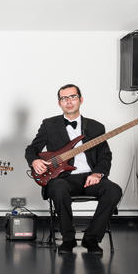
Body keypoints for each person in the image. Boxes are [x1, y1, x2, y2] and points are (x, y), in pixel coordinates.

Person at [25, 84, 122, 255]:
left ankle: (91, 238)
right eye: (64, 98)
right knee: (59, 188)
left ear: (81, 100)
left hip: (90, 177)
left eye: (73, 97)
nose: (69, 101)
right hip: (63, 178)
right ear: (59, 103)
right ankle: (68, 239)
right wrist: (34, 161)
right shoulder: (49, 125)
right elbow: (31, 149)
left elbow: (105, 156)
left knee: (114, 191)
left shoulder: (96, 127)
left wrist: (97, 173)